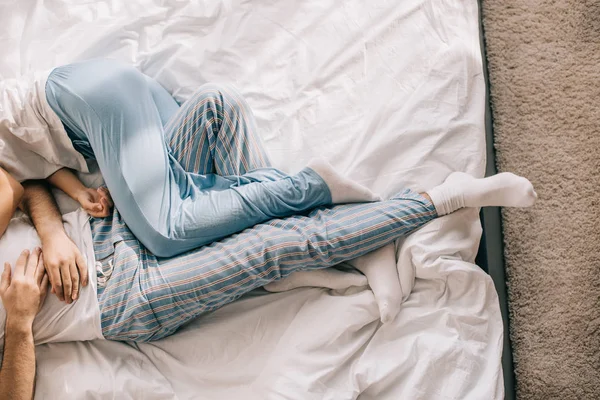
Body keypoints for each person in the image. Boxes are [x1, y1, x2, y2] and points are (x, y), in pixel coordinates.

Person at [0, 163, 536, 398]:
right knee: (272, 248)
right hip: (120, 297)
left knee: (214, 110)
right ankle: (443, 198)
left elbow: (16, 185)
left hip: (105, 222)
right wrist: (20, 325)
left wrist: (51, 233)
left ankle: (354, 244)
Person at [1, 59, 385, 303]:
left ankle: (313, 187)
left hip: (92, 102)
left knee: (166, 232)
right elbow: (26, 165)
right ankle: (358, 242)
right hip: (99, 87)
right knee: (212, 117)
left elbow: (8, 188)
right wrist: (79, 192)